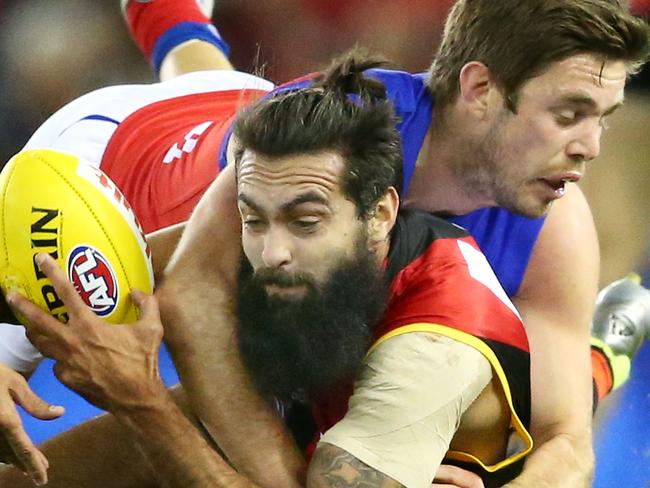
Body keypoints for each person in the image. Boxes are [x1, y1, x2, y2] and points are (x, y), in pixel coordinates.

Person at [0, 0, 648, 486]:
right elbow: (191, 299)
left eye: (601, 119)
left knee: (478, 413)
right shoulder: (327, 134)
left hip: (244, 140)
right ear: (479, 90)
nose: (591, 147)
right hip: (111, 166)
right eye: (569, 114)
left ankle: (178, 26)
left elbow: (564, 438)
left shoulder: (558, 223)